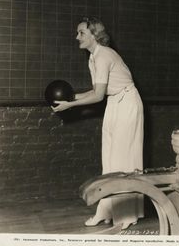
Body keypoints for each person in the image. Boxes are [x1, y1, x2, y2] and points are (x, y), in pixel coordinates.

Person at [52, 17, 144, 230]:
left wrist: (70, 106)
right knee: (110, 159)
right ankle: (106, 211)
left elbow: (98, 96)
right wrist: (71, 99)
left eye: (81, 33)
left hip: (128, 102)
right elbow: (96, 91)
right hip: (115, 102)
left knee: (123, 160)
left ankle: (127, 214)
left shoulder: (104, 55)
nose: (77, 37)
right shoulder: (93, 58)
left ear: (94, 35)